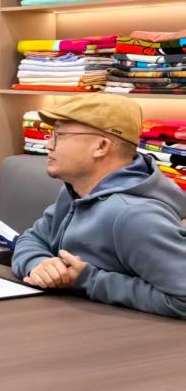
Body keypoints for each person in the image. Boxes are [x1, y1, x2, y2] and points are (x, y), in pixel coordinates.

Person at [11, 94, 186, 318]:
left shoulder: (134, 216)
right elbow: (31, 238)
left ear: (101, 146)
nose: (49, 144)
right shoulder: (76, 192)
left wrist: (90, 280)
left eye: (60, 135)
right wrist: (39, 263)